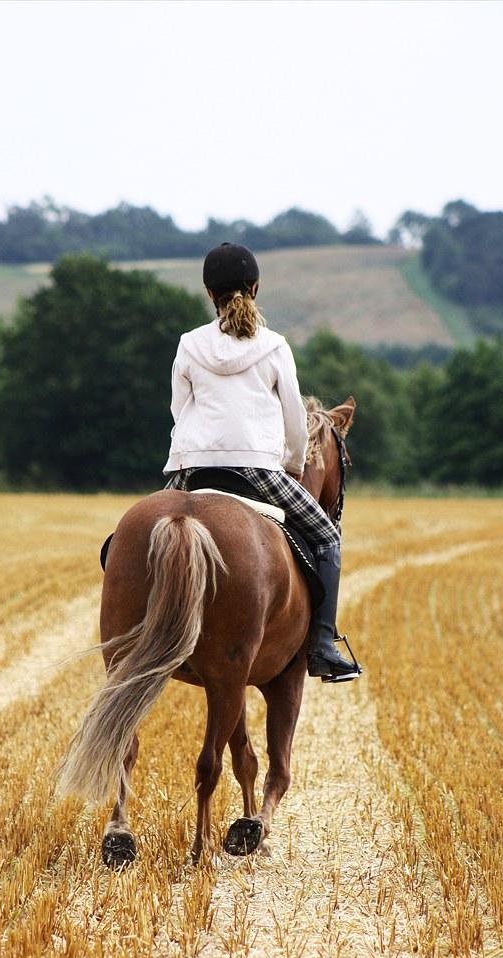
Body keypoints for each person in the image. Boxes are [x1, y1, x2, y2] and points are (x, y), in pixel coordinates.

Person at [164, 242, 359, 683]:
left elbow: (180, 410)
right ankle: (323, 646)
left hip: (193, 468)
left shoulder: (189, 344)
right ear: (255, 288)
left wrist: (192, 455)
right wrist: (290, 464)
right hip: (258, 469)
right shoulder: (274, 347)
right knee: (327, 536)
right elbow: (294, 418)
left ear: (208, 293)